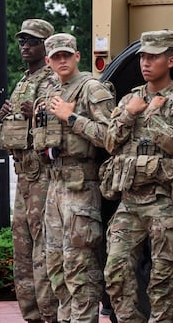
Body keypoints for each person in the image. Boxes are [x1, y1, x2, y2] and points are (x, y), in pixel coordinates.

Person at [101, 30, 173, 322]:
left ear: (171, 60)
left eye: (153, 56)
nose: (145, 62)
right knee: (115, 272)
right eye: (142, 56)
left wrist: (152, 115)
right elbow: (110, 143)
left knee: (163, 279)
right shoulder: (131, 99)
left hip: (164, 201)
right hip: (130, 201)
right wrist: (129, 114)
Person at [35, 33, 114, 322]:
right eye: (56, 56)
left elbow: (111, 137)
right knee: (56, 265)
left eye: (67, 55)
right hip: (55, 185)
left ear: (77, 56)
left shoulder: (92, 89)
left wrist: (72, 118)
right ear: (48, 61)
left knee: (79, 266)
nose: (62, 60)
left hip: (81, 187)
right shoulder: (50, 92)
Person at [0, 18, 59, 323]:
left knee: (42, 250)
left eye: (32, 42)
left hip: (44, 177)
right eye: (22, 41)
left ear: (45, 46)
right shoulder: (24, 81)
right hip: (23, 176)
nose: (25, 46)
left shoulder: (52, 81)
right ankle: (32, 314)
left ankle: (50, 314)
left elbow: (57, 128)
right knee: (21, 250)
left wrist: (34, 116)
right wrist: (8, 118)